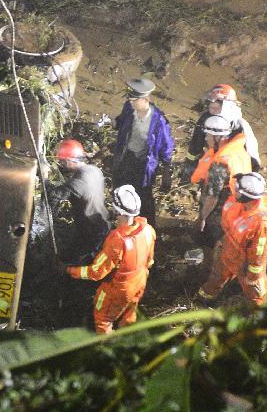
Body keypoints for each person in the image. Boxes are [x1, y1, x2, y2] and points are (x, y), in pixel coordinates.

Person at [64, 185, 156, 333]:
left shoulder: (118, 240)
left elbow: (96, 272)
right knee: (129, 314)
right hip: (139, 283)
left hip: (119, 290)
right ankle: (127, 338)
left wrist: (68, 270)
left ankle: (107, 347)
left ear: (117, 211)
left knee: (103, 319)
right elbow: (150, 261)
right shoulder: (148, 230)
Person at [198, 172, 267, 306]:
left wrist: (252, 276)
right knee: (216, 277)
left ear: (247, 195)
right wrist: (222, 240)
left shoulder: (260, 223)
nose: (233, 190)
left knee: (257, 295)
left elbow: (259, 252)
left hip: (245, 262)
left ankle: (262, 316)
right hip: (228, 248)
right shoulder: (236, 201)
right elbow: (229, 224)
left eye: (237, 189)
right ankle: (204, 299)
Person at [112, 78, 174, 228]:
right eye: (130, 99)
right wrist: (115, 123)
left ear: (146, 99)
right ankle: (122, 221)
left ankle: (148, 228)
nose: (131, 102)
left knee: (144, 196)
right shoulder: (129, 108)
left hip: (144, 165)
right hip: (125, 157)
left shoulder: (158, 121)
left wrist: (167, 171)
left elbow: (166, 146)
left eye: (134, 100)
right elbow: (121, 121)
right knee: (120, 188)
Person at [190, 114, 252, 246]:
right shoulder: (237, 150)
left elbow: (212, 197)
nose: (206, 139)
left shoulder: (220, 163)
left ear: (218, 137)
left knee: (212, 240)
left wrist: (202, 218)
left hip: (221, 209)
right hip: (236, 204)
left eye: (208, 135)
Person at [49, 138, 110, 263]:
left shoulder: (79, 182)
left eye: (63, 161)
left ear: (71, 161)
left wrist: (44, 178)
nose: (61, 164)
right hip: (101, 223)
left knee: (72, 261)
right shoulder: (94, 170)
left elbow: (54, 195)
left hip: (91, 232)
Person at [182, 83, 260, 178]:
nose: (213, 110)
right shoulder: (205, 118)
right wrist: (189, 169)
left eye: (218, 106)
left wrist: (250, 177)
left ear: (228, 106)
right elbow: (195, 145)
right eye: (211, 105)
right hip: (211, 162)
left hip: (234, 168)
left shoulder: (240, 125)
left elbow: (251, 153)